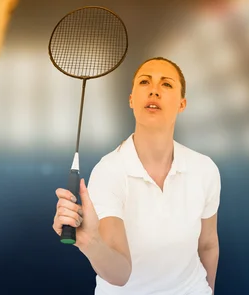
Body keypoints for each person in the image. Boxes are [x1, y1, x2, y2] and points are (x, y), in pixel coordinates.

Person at [53, 57, 221, 295]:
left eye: (166, 84)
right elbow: (120, 274)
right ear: (132, 100)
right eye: (145, 82)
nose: (154, 90)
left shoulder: (205, 169)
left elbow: (208, 244)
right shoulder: (109, 171)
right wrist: (89, 241)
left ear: (182, 104)